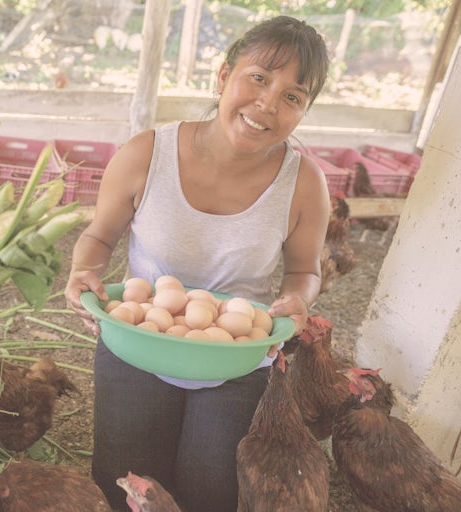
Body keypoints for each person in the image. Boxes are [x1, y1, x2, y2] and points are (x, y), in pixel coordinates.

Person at [64, 15, 331, 512]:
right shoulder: (147, 153)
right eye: (258, 78)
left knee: (209, 494)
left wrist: (298, 298)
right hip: (138, 341)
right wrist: (86, 270)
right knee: (125, 487)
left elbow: (305, 270)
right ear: (224, 74)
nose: (268, 104)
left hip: (239, 358)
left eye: (293, 96)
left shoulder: (305, 184)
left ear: (304, 111)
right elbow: (99, 235)